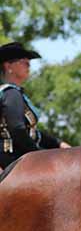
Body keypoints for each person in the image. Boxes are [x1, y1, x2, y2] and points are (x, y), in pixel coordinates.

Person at [0, 42, 70, 171]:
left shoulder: (13, 93)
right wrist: (38, 154)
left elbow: (30, 132)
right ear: (8, 65)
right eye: (24, 61)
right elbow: (17, 129)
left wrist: (58, 143)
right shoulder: (11, 93)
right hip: (11, 159)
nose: (29, 64)